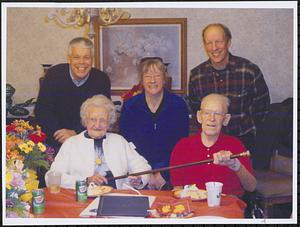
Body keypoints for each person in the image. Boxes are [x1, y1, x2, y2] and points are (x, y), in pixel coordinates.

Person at [188, 23, 270, 152]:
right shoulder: (196, 75)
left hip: (243, 142)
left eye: (219, 42)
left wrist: (250, 133)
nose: (214, 48)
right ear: (204, 46)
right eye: (209, 43)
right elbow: (195, 110)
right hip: (209, 143)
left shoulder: (249, 70)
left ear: (228, 42)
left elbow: (262, 108)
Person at [45, 94, 151, 189]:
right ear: (85, 120)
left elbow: (142, 166)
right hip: (82, 199)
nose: (97, 125)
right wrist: (85, 181)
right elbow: (51, 178)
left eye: (102, 120)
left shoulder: (119, 141)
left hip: (116, 197)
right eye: (93, 119)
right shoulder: (71, 144)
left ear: (109, 122)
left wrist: (139, 178)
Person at [119, 57, 189, 190]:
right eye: (148, 76)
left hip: (171, 174)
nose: (152, 80)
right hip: (139, 173)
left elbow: (182, 145)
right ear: (142, 80)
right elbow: (126, 144)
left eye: (157, 75)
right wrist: (145, 174)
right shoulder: (130, 106)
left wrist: (163, 174)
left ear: (164, 79)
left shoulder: (178, 105)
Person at [170, 94, 257, 196]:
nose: (212, 118)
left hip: (228, 207)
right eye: (207, 113)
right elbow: (177, 189)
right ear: (199, 116)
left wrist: (236, 165)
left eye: (218, 114)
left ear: (226, 119)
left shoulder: (235, 145)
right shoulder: (183, 146)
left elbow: (251, 187)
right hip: (193, 207)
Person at [35, 37, 111, 152]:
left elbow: (104, 114)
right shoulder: (53, 75)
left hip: (88, 139)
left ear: (92, 60)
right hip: (55, 139)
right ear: (69, 59)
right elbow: (42, 110)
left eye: (86, 57)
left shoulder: (101, 80)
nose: (82, 62)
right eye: (76, 57)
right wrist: (60, 134)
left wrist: (75, 132)